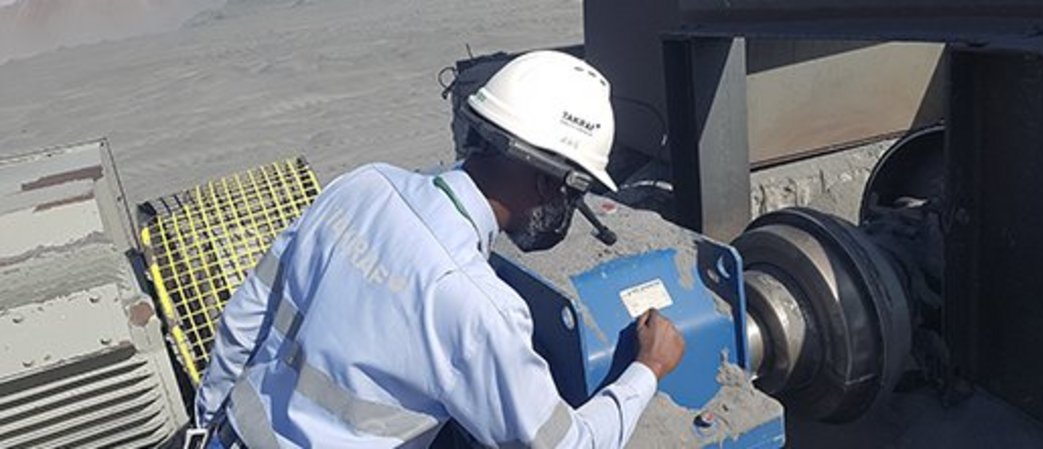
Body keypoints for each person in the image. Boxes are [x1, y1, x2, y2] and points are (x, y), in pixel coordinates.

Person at [193, 50, 686, 449]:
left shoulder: (361, 185)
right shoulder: (478, 308)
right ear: (547, 182)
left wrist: (203, 427)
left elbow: (247, 316)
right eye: (573, 193)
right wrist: (648, 369)